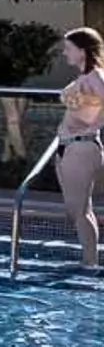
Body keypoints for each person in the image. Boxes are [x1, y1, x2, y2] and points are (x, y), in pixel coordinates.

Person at [55, 27, 104, 269]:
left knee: (81, 209)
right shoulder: (84, 78)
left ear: (82, 51)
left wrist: (93, 126)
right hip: (68, 146)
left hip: (81, 146)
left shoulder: (96, 77)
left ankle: (90, 262)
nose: (65, 53)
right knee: (77, 209)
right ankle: (88, 259)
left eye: (69, 48)